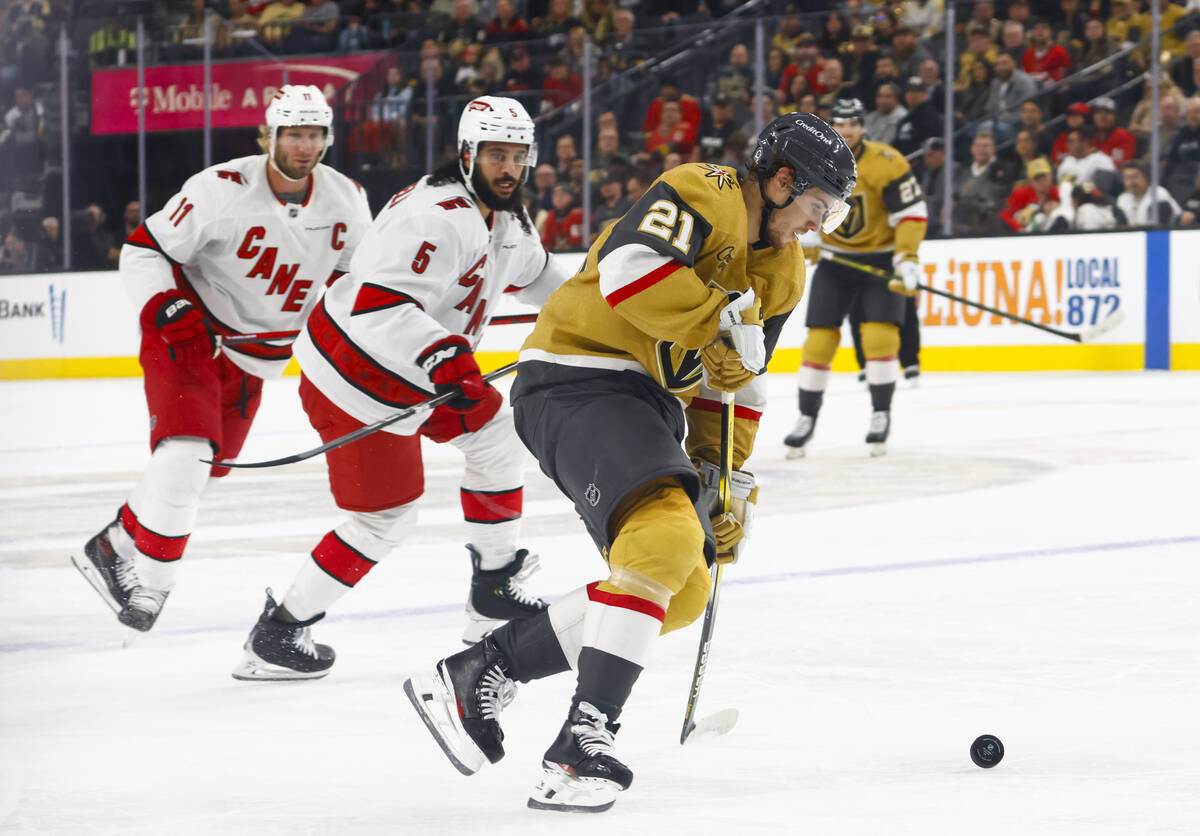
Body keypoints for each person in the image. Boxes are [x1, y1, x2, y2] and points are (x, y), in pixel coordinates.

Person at [404, 113, 856, 812]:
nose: (815, 225)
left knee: (683, 586)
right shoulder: (702, 192)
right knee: (666, 539)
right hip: (575, 375)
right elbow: (627, 271)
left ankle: (482, 669)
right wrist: (715, 318)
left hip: (644, 403)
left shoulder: (785, 270)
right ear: (783, 179)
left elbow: (737, 379)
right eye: (816, 206)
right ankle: (582, 742)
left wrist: (723, 479)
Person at [231, 95, 572, 680]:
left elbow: (542, 280)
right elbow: (377, 304)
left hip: (421, 372)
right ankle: (278, 633)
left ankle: (493, 586)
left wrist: (597, 313)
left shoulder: (506, 221)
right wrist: (444, 354)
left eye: (518, 154)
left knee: (495, 435)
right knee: (383, 519)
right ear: (467, 155)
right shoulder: (434, 216)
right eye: (495, 154)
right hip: (354, 377)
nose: (509, 167)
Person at [70, 85, 373, 633]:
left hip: (256, 359)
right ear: (269, 135)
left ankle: (111, 545)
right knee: (186, 454)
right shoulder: (221, 188)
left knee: (200, 474)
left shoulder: (347, 200)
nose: (304, 146)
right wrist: (167, 307)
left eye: (314, 135)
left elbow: (354, 288)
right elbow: (144, 248)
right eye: (293, 134)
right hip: (190, 335)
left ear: (326, 138)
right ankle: (153, 590)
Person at [784, 98, 926, 458]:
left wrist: (907, 256)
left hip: (878, 261)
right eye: (841, 123)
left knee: (880, 337)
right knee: (818, 341)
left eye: (853, 124)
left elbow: (911, 213)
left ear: (863, 126)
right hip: (837, 262)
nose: (847, 131)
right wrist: (809, 234)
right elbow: (798, 200)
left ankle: (881, 413)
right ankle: (806, 417)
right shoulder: (816, 159)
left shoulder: (887, 163)